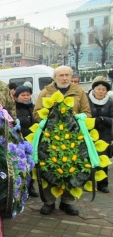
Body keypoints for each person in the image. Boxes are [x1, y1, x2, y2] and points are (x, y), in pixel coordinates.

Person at [33, 65, 91, 215]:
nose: (65, 78)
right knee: (48, 169)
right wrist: (52, 122)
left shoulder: (79, 92)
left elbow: (87, 112)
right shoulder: (46, 92)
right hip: (51, 139)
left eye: (67, 75)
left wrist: (78, 119)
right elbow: (37, 114)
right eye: (61, 75)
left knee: (71, 170)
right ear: (55, 78)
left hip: (74, 139)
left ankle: (67, 201)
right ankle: (49, 201)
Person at [87, 76, 113, 193]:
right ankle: (89, 182)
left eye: (103, 89)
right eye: (99, 89)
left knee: (103, 160)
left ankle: (103, 183)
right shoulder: (87, 101)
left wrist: (102, 119)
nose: (101, 91)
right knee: (88, 159)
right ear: (94, 90)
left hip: (104, 135)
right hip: (89, 134)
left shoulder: (110, 103)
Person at [14, 85, 39, 197]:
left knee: (32, 164)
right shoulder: (14, 108)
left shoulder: (34, 107)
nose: (26, 97)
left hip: (33, 140)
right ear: (17, 97)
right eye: (23, 95)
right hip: (20, 140)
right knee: (22, 165)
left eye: (28, 95)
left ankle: (31, 186)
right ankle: (22, 187)